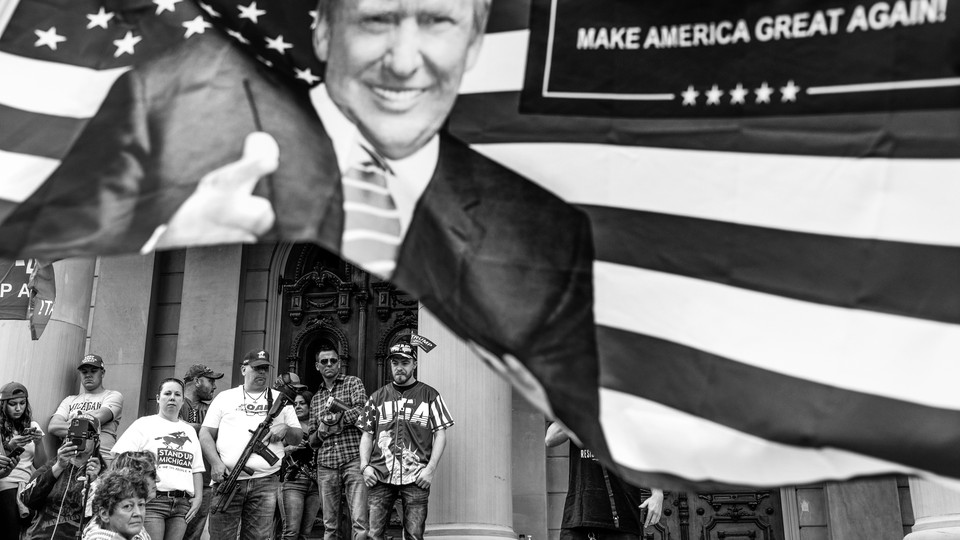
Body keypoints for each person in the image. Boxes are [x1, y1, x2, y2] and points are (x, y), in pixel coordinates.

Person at [1, 0, 603, 465]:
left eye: (332, 360)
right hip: (293, 472)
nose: (327, 366)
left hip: (365, 471)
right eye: (320, 360)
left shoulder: (370, 392)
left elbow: (366, 425)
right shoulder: (251, 399)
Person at [199, 349, 302, 540]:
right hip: (229, 480)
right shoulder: (225, 397)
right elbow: (205, 433)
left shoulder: (282, 400)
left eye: (264, 368)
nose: (261, 372)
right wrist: (215, 463)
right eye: (256, 368)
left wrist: (286, 428)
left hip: (266, 482)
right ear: (243, 370)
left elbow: (297, 438)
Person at [357, 343, 453, 540]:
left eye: (405, 362)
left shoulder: (430, 395)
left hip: (416, 476)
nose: (399, 367)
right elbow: (367, 434)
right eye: (395, 362)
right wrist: (364, 466)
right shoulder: (377, 397)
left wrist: (430, 470)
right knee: (374, 535)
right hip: (380, 474)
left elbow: (441, 434)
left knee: (414, 535)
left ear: (414, 364)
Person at [111, 378, 204, 540]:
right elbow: (120, 458)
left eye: (177, 394)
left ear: (183, 400)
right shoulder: (144, 424)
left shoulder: (189, 431)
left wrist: (198, 498)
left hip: (182, 505)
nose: (172, 397)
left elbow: (196, 469)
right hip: (153, 501)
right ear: (158, 398)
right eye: (167, 393)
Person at [545, 422, 663, 540]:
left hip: (623, 515)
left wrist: (657, 493)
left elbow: (648, 450)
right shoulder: (576, 407)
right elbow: (550, 439)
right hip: (579, 516)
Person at [308, 345, 368, 540]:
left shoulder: (353, 383)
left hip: (353, 458)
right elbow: (311, 440)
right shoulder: (315, 398)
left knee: (360, 522)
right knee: (330, 526)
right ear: (317, 366)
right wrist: (321, 432)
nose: (329, 364)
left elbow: (362, 411)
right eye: (324, 361)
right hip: (325, 464)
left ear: (339, 363)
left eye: (333, 360)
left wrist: (334, 420)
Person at [20, 426, 105, 539]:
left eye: (86, 435)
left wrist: (95, 481)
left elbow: (105, 514)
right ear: (67, 439)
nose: (80, 438)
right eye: (75, 434)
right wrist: (58, 467)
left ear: (97, 442)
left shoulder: (104, 473)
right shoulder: (54, 465)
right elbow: (27, 500)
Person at [49, 354, 124, 466]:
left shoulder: (113, 396)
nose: (88, 375)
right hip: (71, 459)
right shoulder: (70, 400)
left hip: (101, 459)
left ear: (102, 373)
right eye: (84, 372)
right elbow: (53, 427)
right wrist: (83, 425)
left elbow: (97, 417)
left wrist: (72, 423)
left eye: (93, 371)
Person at [178, 364, 224, 540]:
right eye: (210, 381)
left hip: (204, 482)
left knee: (193, 536)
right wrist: (203, 429)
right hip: (177, 480)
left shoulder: (212, 409)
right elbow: (170, 425)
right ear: (197, 381)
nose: (214, 386)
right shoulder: (175, 400)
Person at [0, 382, 46, 540]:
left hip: (28, 484)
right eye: (12, 404)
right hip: (5, 481)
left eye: (22, 403)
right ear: (3, 405)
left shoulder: (33, 425)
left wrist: (39, 443)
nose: (18, 408)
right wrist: (8, 447)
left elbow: (41, 466)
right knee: (11, 529)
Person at [279, 388, 321, 540]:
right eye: (295, 404)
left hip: (316, 483)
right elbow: (272, 453)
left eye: (302, 403)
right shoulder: (287, 427)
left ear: (311, 405)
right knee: (291, 532)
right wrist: (290, 448)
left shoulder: (318, 427)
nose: (297, 406)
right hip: (293, 481)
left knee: (305, 534)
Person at [83, 468, 152, 540]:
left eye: (141, 505)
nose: (138, 513)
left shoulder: (136, 530)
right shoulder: (98, 538)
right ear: (104, 514)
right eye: (127, 506)